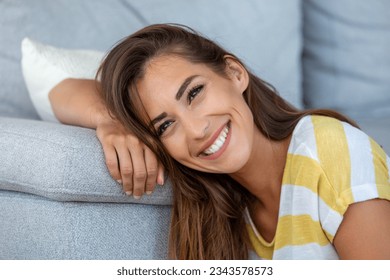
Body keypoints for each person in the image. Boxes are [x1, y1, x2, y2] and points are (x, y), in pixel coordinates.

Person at [49, 24, 390, 260]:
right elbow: (58, 90)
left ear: (235, 74)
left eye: (195, 93)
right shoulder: (219, 206)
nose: (196, 130)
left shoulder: (329, 150)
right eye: (166, 125)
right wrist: (111, 121)